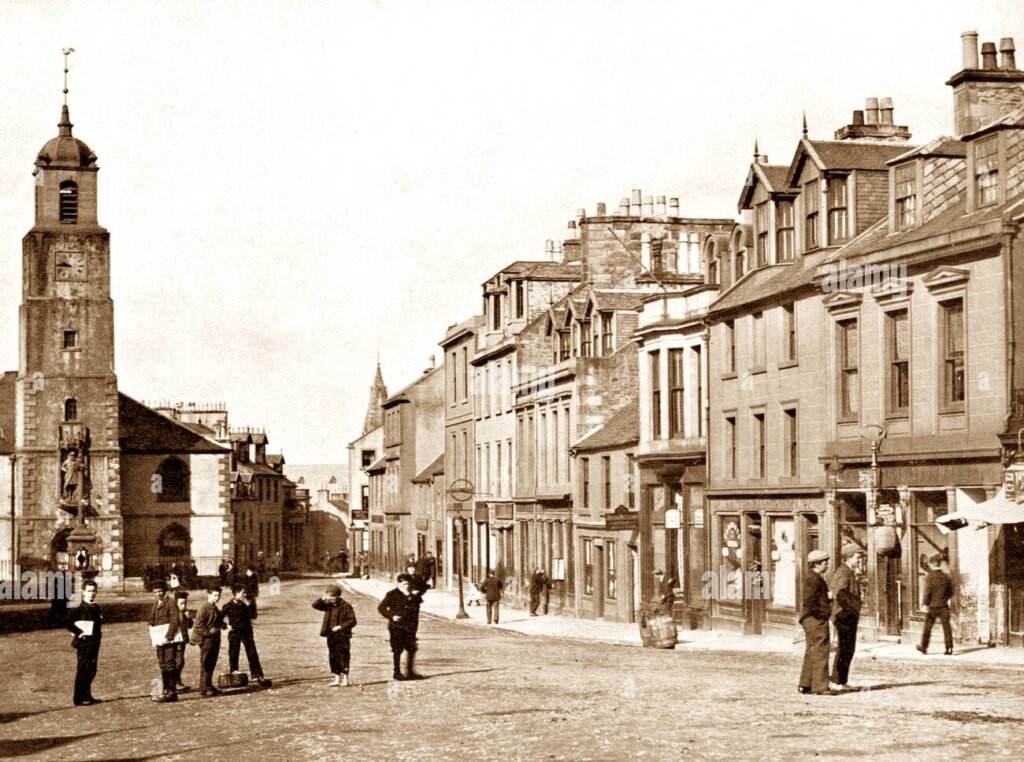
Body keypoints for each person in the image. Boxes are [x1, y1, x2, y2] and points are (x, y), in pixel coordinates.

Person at [828, 544, 864, 690]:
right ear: (849, 557)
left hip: (846, 615)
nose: (859, 560)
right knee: (844, 648)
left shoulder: (848, 571)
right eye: (857, 557)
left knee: (848, 648)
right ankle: (836, 681)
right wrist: (853, 608)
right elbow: (840, 594)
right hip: (844, 616)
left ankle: (842, 680)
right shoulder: (844, 572)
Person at [798, 549, 833, 696]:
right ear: (817, 563)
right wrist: (822, 615)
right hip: (815, 619)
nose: (827, 565)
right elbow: (811, 601)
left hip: (809, 618)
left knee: (812, 650)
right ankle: (819, 686)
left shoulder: (811, 577)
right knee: (821, 651)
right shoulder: (814, 579)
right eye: (825, 562)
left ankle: (806, 684)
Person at [222, 583, 271, 686]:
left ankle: (257, 675)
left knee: (252, 652)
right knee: (233, 652)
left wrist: (248, 604)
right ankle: (234, 673)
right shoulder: (228, 606)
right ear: (237, 593)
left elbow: (254, 616)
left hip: (247, 632)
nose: (245, 594)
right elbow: (219, 618)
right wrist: (225, 626)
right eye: (243, 593)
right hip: (234, 633)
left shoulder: (248, 604)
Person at [378, 573, 424, 680]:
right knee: (397, 649)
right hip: (396, 626)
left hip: (410, 627)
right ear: (398, 584)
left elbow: (418, 601)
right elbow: (381, 608)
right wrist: (391, 616)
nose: (406, 586)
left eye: (407, 584)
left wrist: (412, 595)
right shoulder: (392, 594)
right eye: (403, 584)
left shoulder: (414, 595)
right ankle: (397, 672)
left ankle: (410, 671)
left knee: (411, 648)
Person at [66, 578, 102, 706]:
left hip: (94, 642)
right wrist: (78, 632)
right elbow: (67, 622)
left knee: (92, 669)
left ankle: (87, 695)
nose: (92, 593)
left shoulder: (96, 607)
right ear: (83, 592)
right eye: (89, 591)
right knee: (83, 669)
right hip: (84, 643)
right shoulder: (79, 608)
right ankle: (78, 697)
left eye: (94, 591)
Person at [313, 583, 357, 687]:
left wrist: (341, 626)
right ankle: (337, 678)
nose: (331, 598)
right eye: (329, 596)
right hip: (331, 635)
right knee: (333, 656)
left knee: (344, 656)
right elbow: (315, 605)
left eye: (333, 596)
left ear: (338, 596)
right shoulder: (328, 605)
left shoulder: (346, 606)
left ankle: (345, 679)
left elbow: (353, 621)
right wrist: (322, 598)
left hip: (343, 635)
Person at [148, 580, 184, 703]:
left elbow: (175, 621)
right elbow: (152, 619)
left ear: (165, 591)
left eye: (160, 591)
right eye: (155, 592)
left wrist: (168, 637)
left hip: (169, 640)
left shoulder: (170, 603)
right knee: (162, 664)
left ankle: (172, 691)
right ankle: (165, 690)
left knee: (169, 664)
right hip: (159, 639)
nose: (158, 594)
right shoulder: (156, 604)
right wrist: (150, 626)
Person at [191, 586, 226, 697]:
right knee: (206, 663)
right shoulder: (204, 608)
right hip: (207, 640)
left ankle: (209, 685)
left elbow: (218, 621)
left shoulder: (214, 607)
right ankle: (204, 688)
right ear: (208, 595)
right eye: (215, 595)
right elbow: (199, 626)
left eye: (218, 595)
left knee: (212, 662)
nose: (217, 598)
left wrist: (225, 625)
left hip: (215, 639)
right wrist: (209, 633)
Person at [917, 553, 954, 655]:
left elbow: (927, 591)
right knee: (947, 627)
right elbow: (951, 592)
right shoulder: (946, 576)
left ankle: (924, 647)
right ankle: (949, 647)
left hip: (932, 607)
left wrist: (925, 603)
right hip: (944, 606)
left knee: (927, 628)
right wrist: (944, 599)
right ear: (939, 564)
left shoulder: (930, 576)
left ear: (933, 564)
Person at [172, 591, 193, 693]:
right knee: (178, 662)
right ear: (176, 603)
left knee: (180, 662)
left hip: (182, 640)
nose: (183, 605)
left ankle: (177, 681)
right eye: (181, 603)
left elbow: (190, 626)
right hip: (175, 640)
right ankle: (174, 682)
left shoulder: (184, 613)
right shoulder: (172, 613)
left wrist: (188, 618)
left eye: (185, 603)